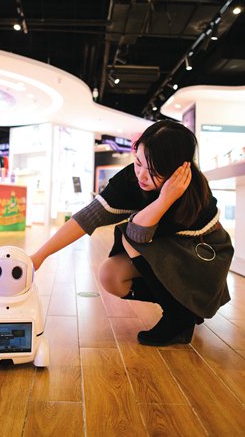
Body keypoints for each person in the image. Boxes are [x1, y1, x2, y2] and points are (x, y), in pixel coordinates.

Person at [30, 120, 234, 346]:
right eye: (138, 162)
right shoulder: (130, 179)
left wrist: (166, 198)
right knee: (110, 275)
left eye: (154, 172)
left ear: (179, 170)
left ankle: (178, 318)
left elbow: (137, 234)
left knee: (133, 238)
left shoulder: (193, 192)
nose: (141, 176)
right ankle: (183, 311)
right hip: (169, 257)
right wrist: (39, 256)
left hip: (203, 262)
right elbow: (87, 218)